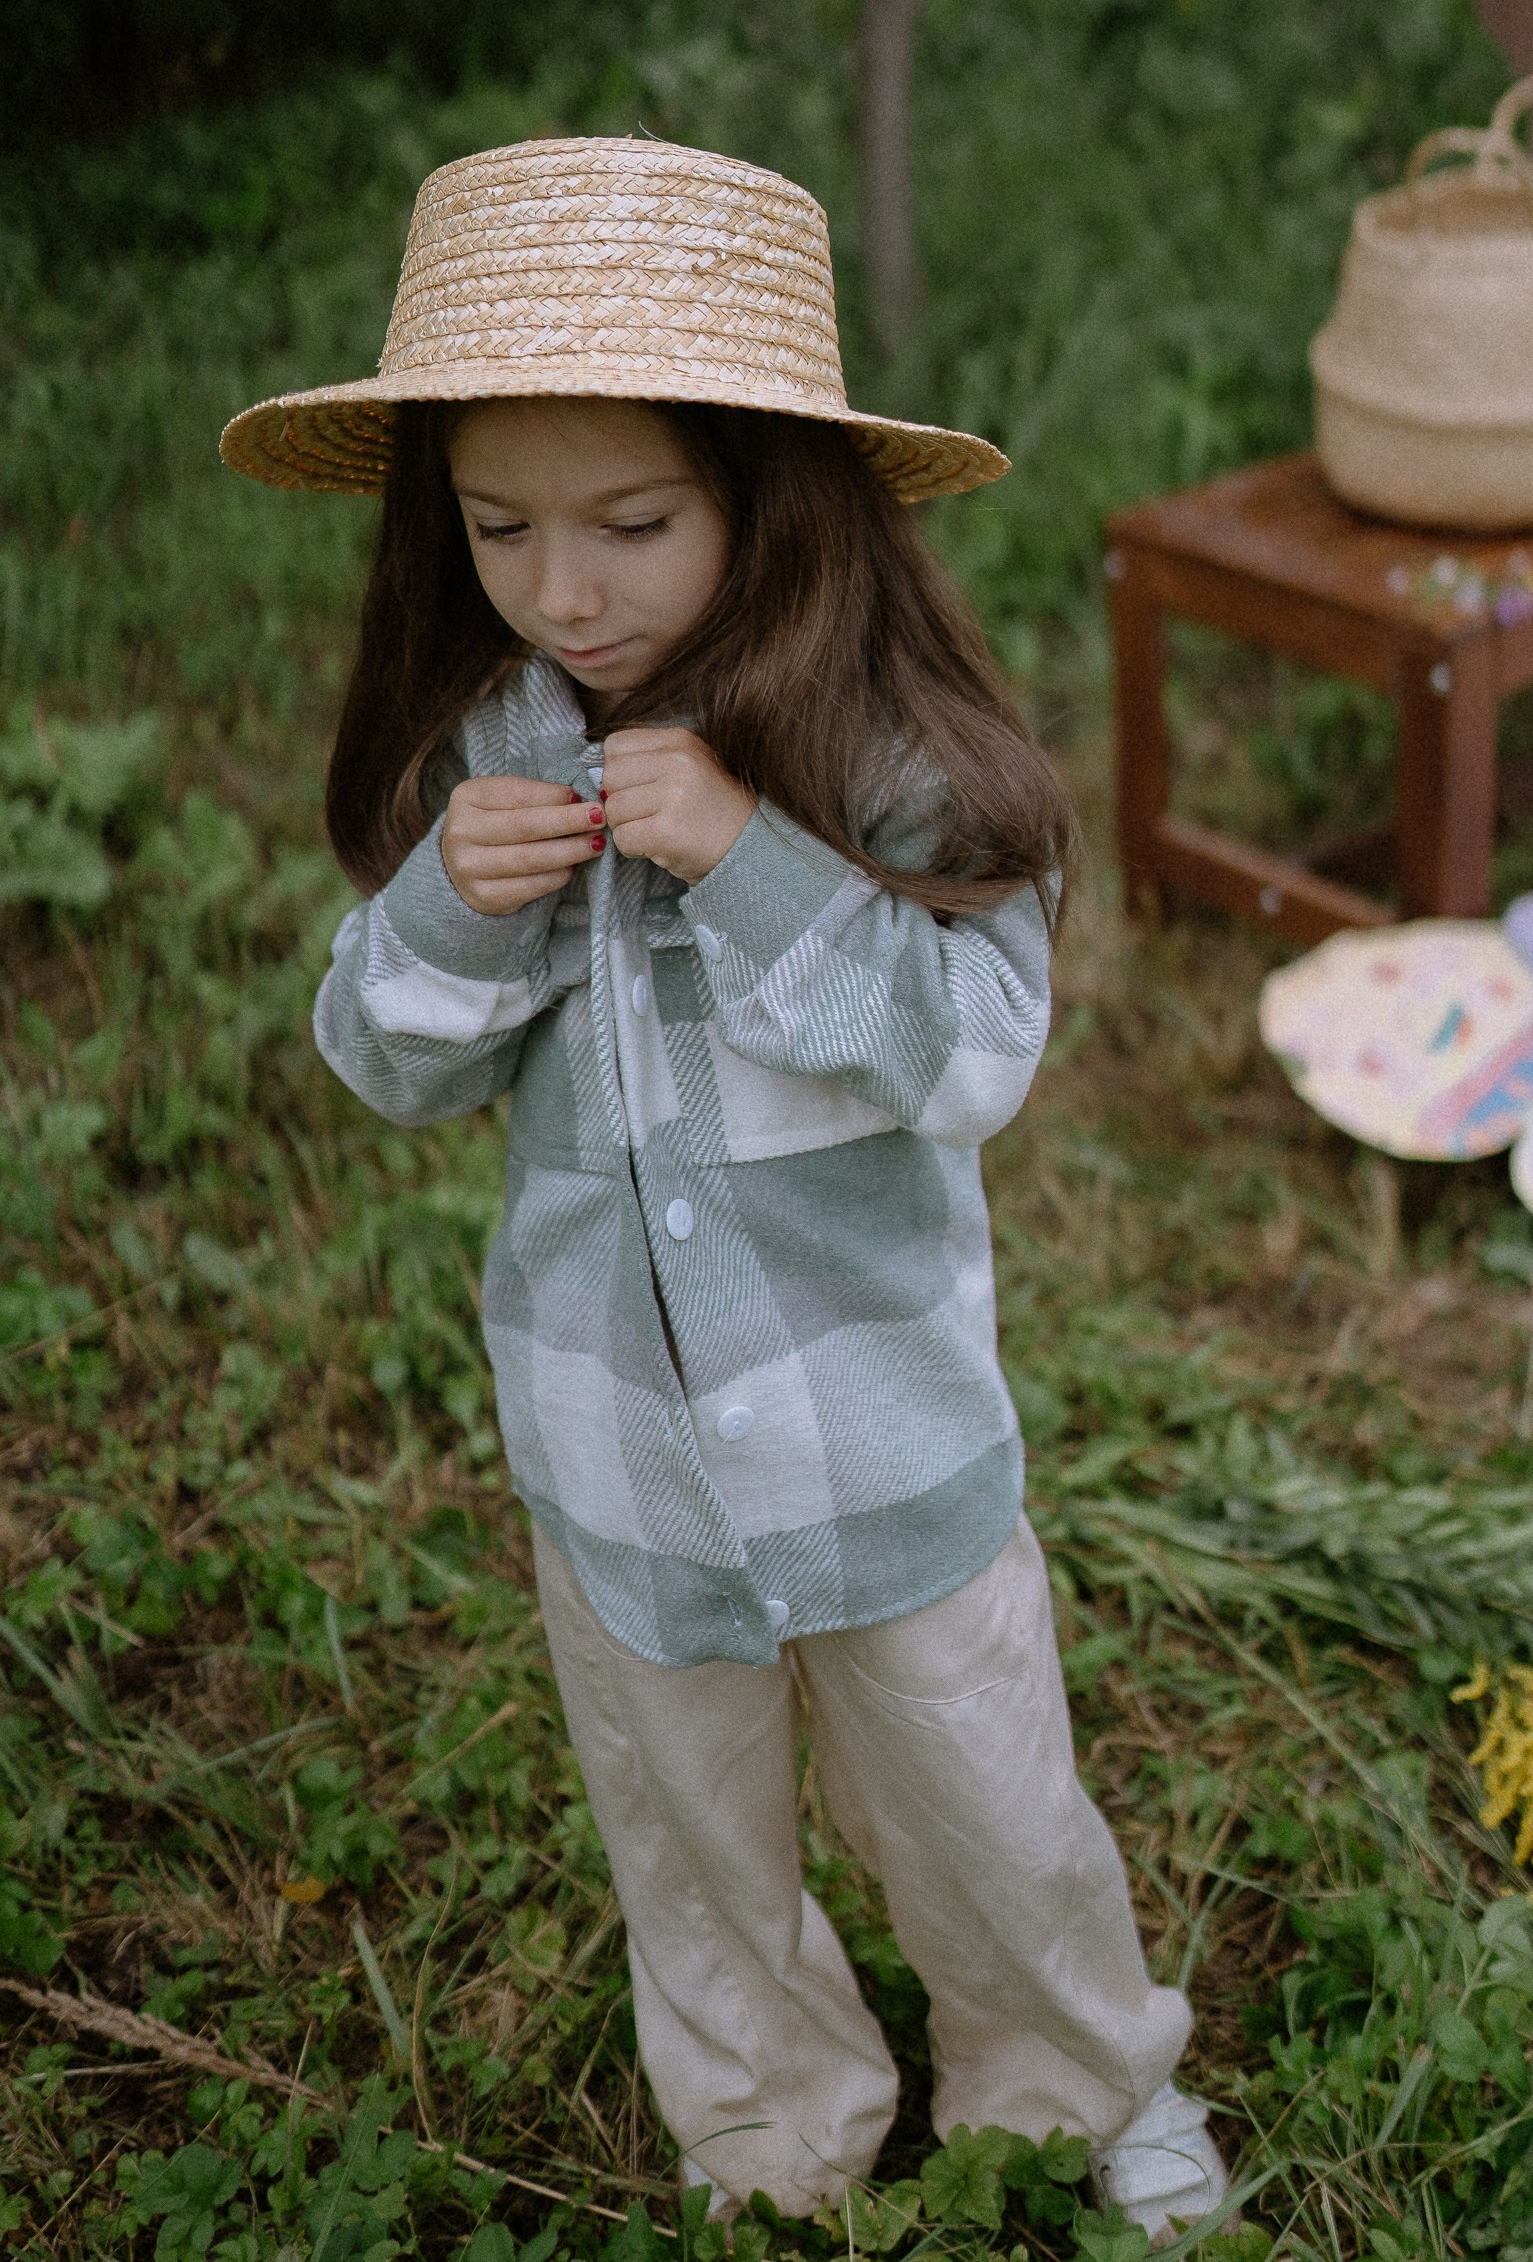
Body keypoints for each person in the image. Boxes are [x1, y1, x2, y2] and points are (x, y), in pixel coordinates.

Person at [221, 136, 1227, 2239]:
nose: (561, 590)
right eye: (500, 526)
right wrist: (445, 905)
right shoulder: (492, 742)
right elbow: (382, 1062)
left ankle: (1070, 2080)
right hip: (620, 1467)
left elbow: (974, 1056)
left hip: (881, 1445)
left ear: (767, 499)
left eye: (629, 525)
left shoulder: (883, 753)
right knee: (687, 1831)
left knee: (975, 1801)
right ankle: (773, 2135)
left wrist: (748, 856)